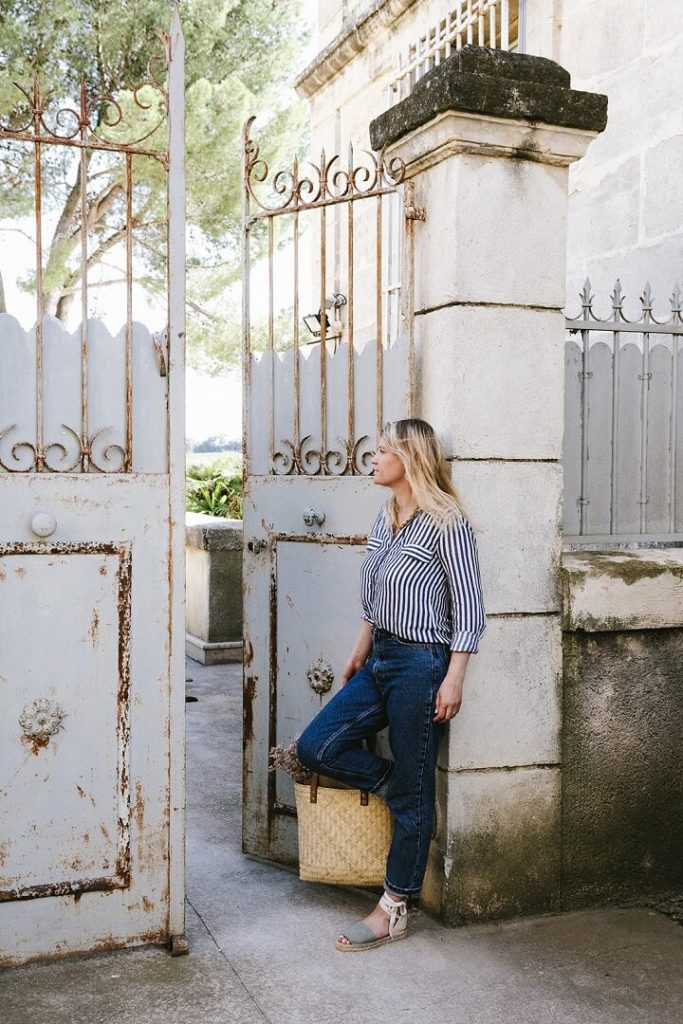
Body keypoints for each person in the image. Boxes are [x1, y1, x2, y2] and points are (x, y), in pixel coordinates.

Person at [296, 418, 486, 952]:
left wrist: (454, 678)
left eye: (382, 451)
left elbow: (470, 611)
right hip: (380, 656)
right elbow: (374, 595)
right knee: (316, 746)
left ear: (410, 458)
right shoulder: (385, 518)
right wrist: (360, 649)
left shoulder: (448, 523)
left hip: (421, 665)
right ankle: (403, 792)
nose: (372, 459)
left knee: (414, 784)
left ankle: (393, 907)